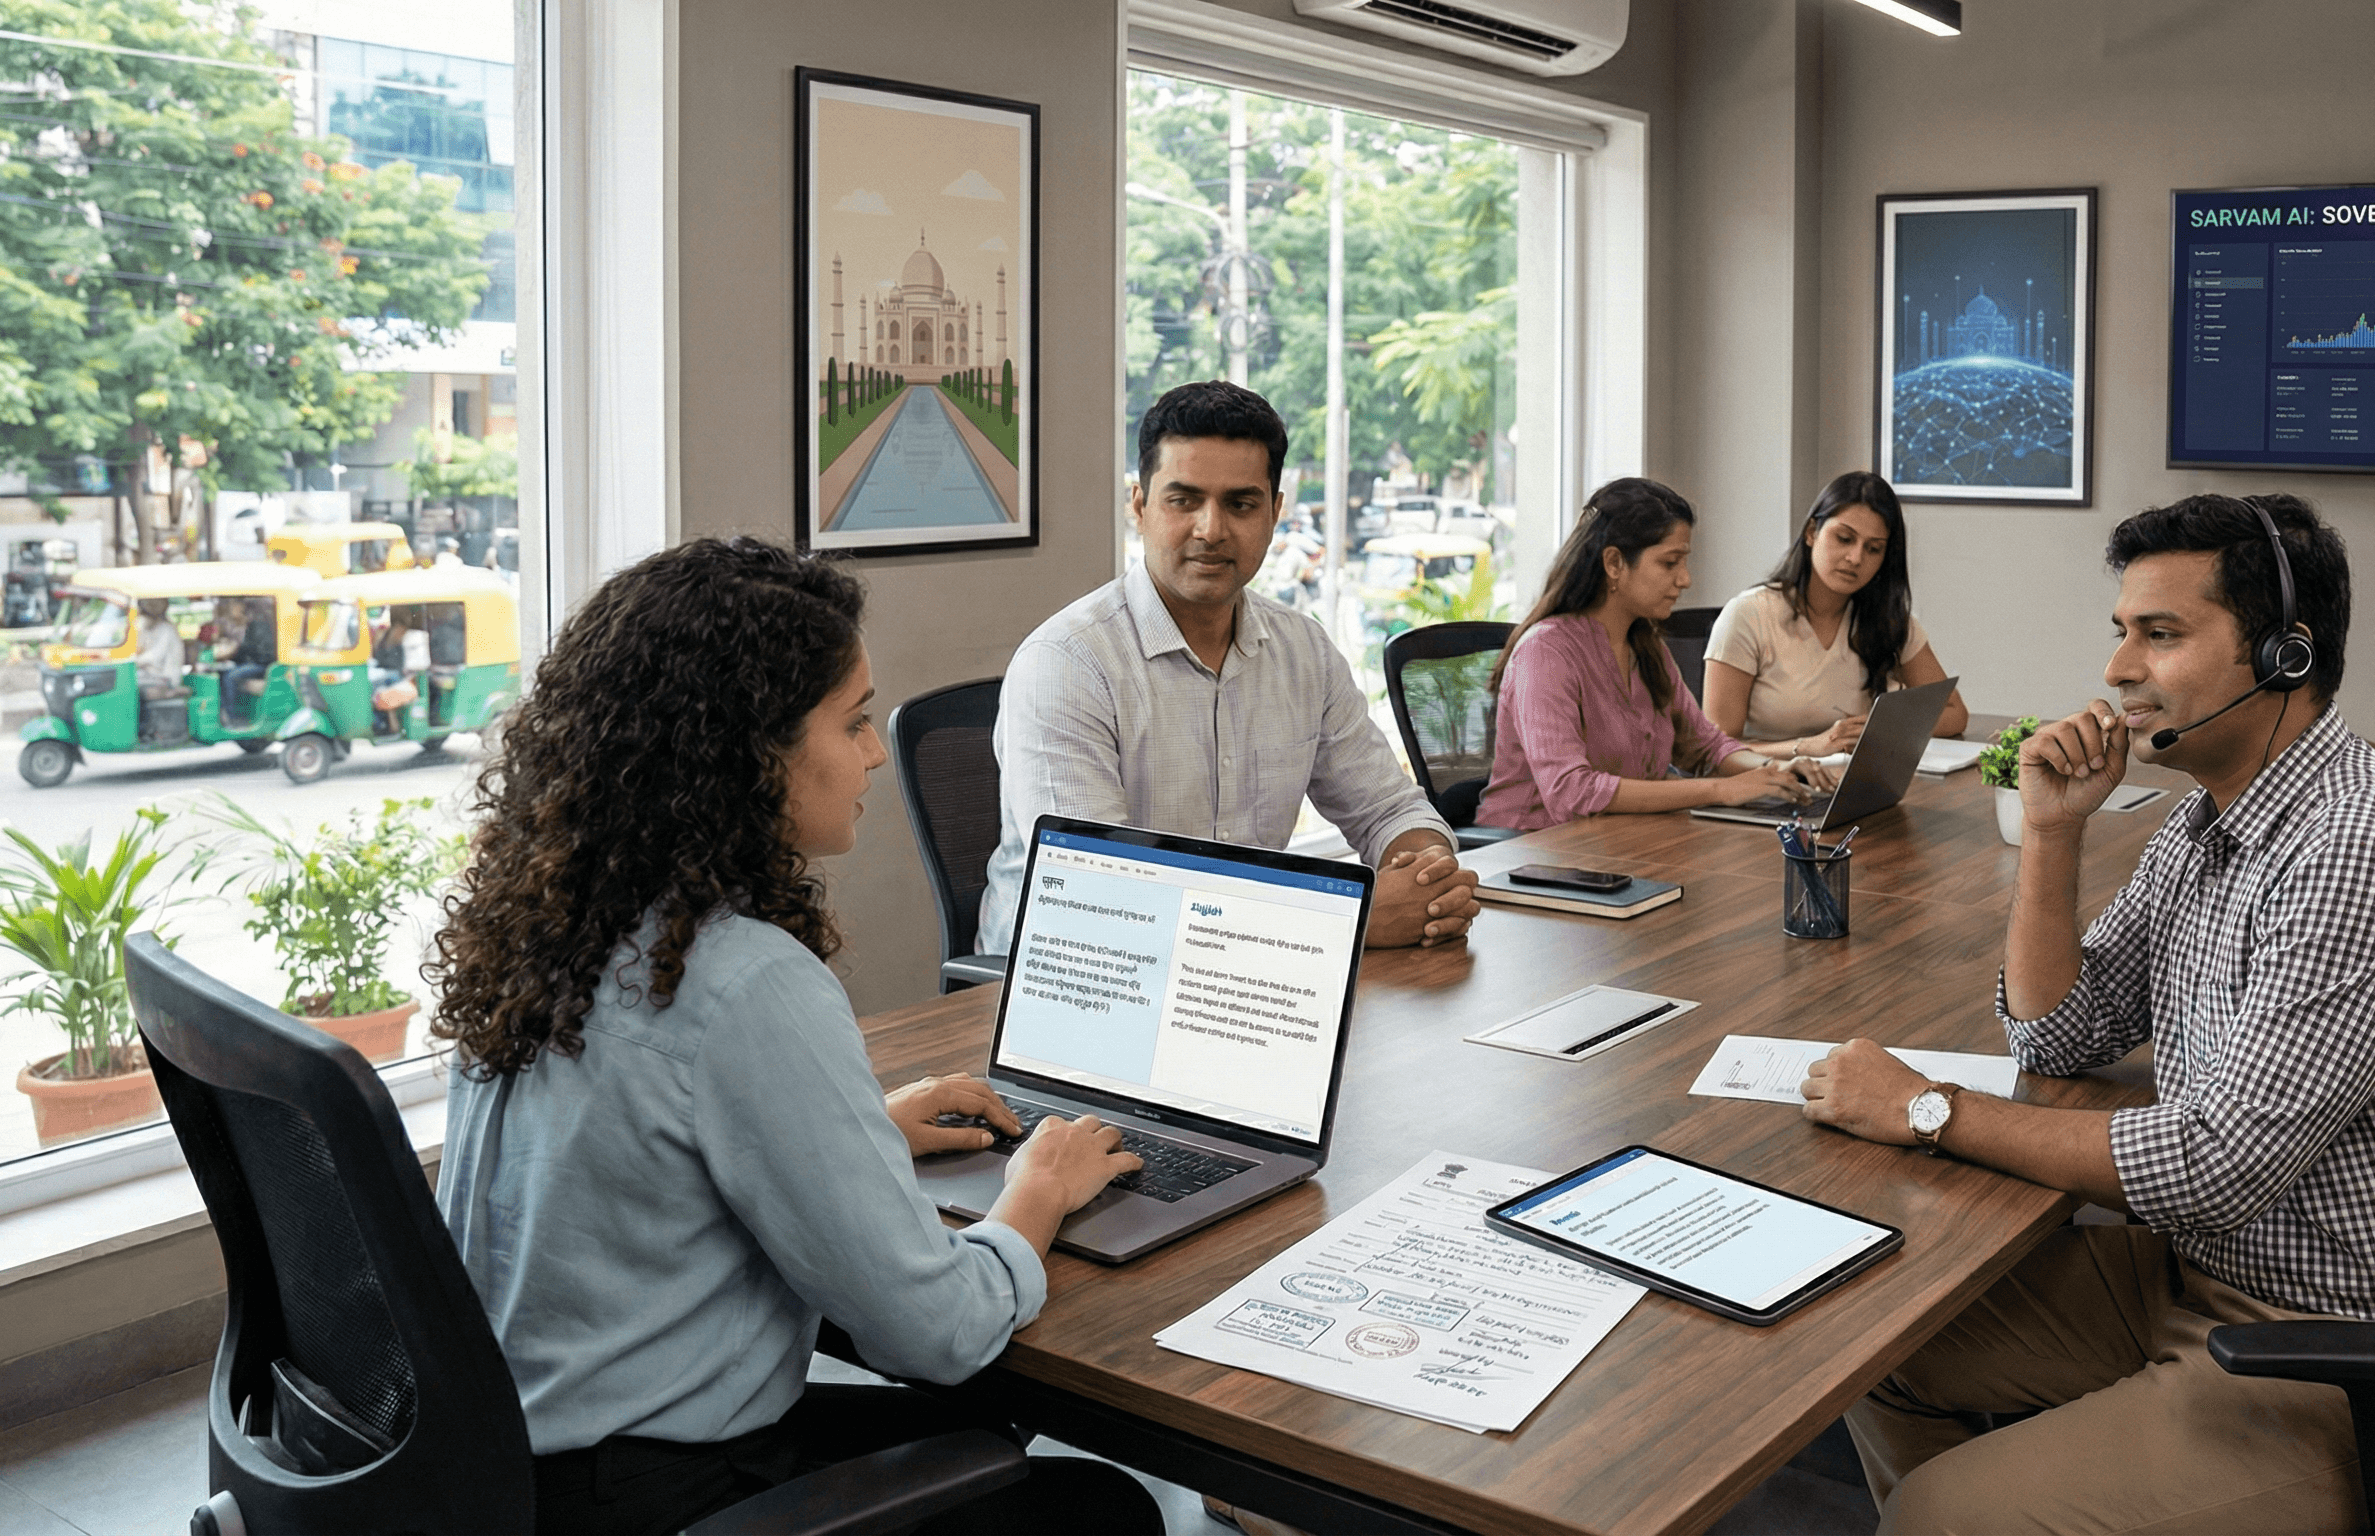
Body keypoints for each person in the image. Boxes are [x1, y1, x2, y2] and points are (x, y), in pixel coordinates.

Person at [1801, 494, 2375, 1534]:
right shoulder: (2207, 825)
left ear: (2284, 657)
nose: (2115, 668)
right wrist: (2052, 833)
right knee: (1871, 1342)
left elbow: (2211, 1165)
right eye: (2120, 631)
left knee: (1945, 1515)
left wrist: (1925, 1109)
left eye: (2158, 635)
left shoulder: (2354, 856)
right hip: (2215, 1274)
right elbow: (2055, 1034)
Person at [429, 537, 1164, 1536]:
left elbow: (640, 1141)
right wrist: (1036, 1192)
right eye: (854, 721)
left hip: (503, 1465)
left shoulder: (559, 921)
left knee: (982, 1431)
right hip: (654, 1495)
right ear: (743, 752)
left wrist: (856, 1129)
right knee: (1095, 1506)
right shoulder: (742, 977)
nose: (872, 753)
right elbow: (939, 1334)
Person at [980, 380, 1479, 956]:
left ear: (1275, 513)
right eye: (1183, 499)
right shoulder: (1067, 664)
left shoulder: (1303, 651)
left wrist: (1427, 878)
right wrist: (1349, 924)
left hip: (1245, 984)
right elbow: (1100, 899)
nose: (1211, 530)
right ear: (1139, 507)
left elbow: (1388, 808)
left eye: (1240, 504)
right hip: (1076, 988)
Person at [1474, 478, 1821, 831]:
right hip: (1532, 854)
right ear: (1614, 564)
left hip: (1617, 843)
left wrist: (1769, 771)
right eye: (1670, 563)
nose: (1685, 579)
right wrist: (1721, 790)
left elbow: (1706, 745)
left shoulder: (1645, 645)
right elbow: (1571, 792)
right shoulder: (1544, 652)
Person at [1703, 471, 1967, 756]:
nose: (1855, 558)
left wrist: (1878, 728)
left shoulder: (1888, 620)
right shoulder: (1748, 615)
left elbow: (1954, 713)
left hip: (1852, 785)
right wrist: (1807, 747)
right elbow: (1713, 750)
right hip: (1765, 787)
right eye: (1844, 539)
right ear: (1811, 533)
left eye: (1873, 549)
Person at [221, 598, 276, 724]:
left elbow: (251, 650)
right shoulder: (251, 623)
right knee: (224, 672)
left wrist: (231, 654)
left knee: (230, 677)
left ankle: (234, 717)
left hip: (263, 665)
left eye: (234, 606)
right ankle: (228, 712)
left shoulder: (258, 624)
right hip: (256, 662)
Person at [133, 598, 186, 697]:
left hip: (167, 678)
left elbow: (155, 656)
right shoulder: (150, 628)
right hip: (154, 675)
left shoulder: (166, 629)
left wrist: (132, 661)